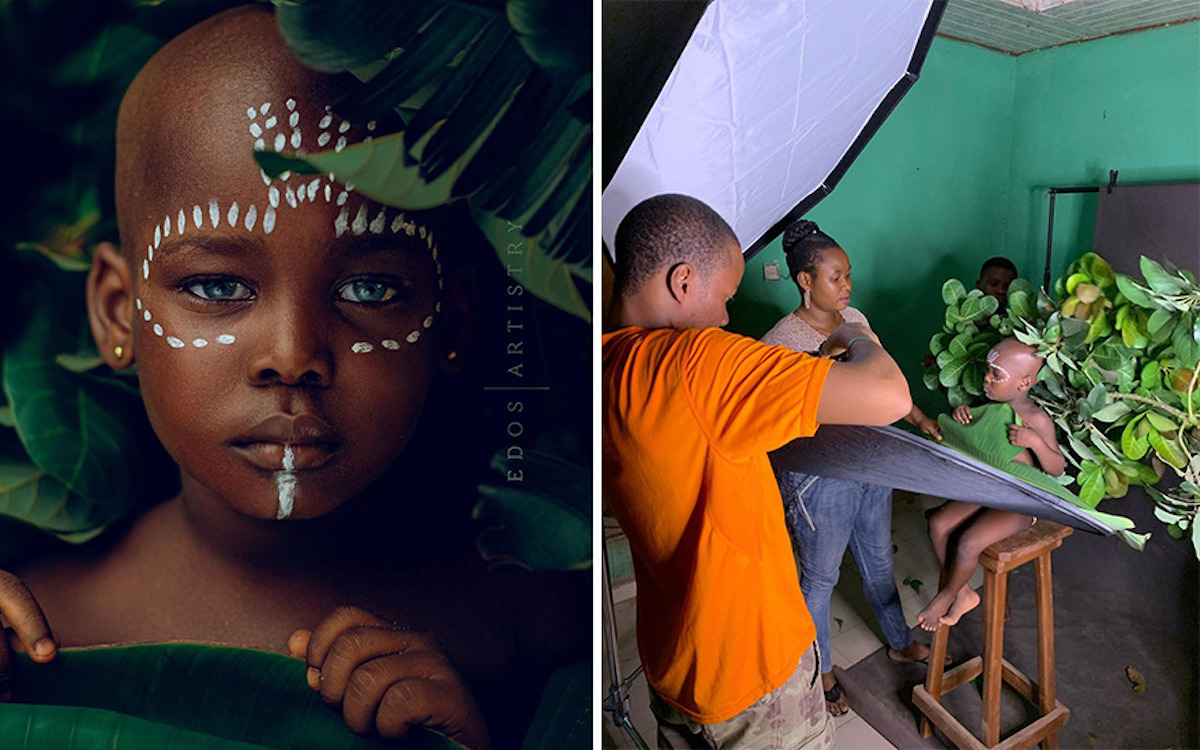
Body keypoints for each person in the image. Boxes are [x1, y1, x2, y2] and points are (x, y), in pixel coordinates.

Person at [0, 8, 586, 749]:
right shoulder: (34, 634)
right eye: (216, 288)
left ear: (454, 322)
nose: (293, 353)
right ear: (118, 314)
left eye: (371, 290)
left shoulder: (536, 626)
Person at [602, 194, 912, 748]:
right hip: (753, 676)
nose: (724, 317)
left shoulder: (605, 365)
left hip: (675, 664)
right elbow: (888, 394)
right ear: (682, 282)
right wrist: (851, 335)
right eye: (723, 297)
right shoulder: (696, 362)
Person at [762, 219, 939, 717]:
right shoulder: (780, 340)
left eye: (848, 275)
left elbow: (882, 376)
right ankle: (822, 670)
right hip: (819, 477)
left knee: (879, 560)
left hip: (869, 460)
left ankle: (899, 640)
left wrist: (920, 417)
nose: (847, 287)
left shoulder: (855, 317)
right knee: (818, 579)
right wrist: (827, 354)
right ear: (805, 281)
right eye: (836, 277)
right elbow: (792, 418)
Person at [916, 338, 1065, 630]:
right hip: (987, 491)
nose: (986, 379)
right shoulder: (989, 407)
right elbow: (972, 443)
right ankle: (963, 593)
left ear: (1024, 383)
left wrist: (1034, 442)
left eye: (996, 375)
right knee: (939, 523)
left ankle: (946, 596)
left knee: (970, 541)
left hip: (1020, 502)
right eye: (987, 371)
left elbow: (1057, 469)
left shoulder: (1036, 419)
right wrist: (963, 416)